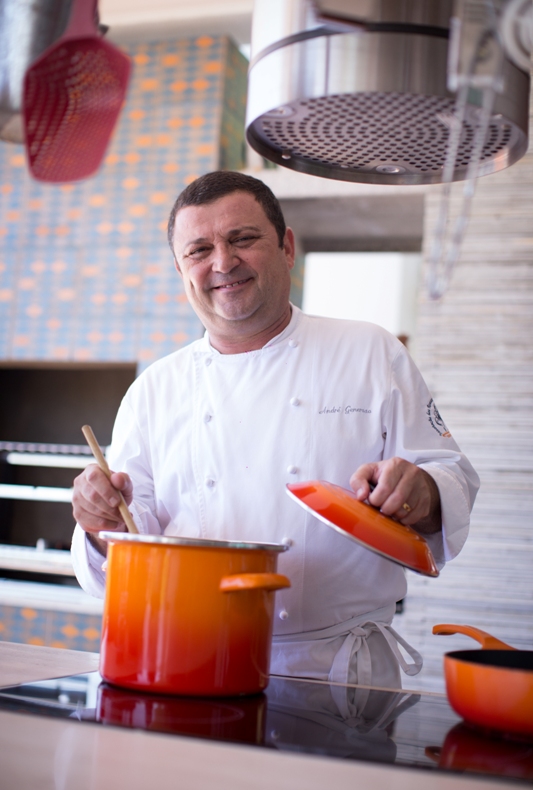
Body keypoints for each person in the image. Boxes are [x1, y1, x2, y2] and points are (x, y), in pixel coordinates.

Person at [71, 171, 479, 691]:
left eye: (242, 238)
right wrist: (100, 522)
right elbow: (130, 543)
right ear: (180, 268)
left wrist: (421, 491)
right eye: (199, 250)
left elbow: (450, 477)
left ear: (287, 247)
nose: (223, 263)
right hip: (193, 657)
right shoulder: (153, 390)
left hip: (337, 673)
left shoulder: (369, 352)